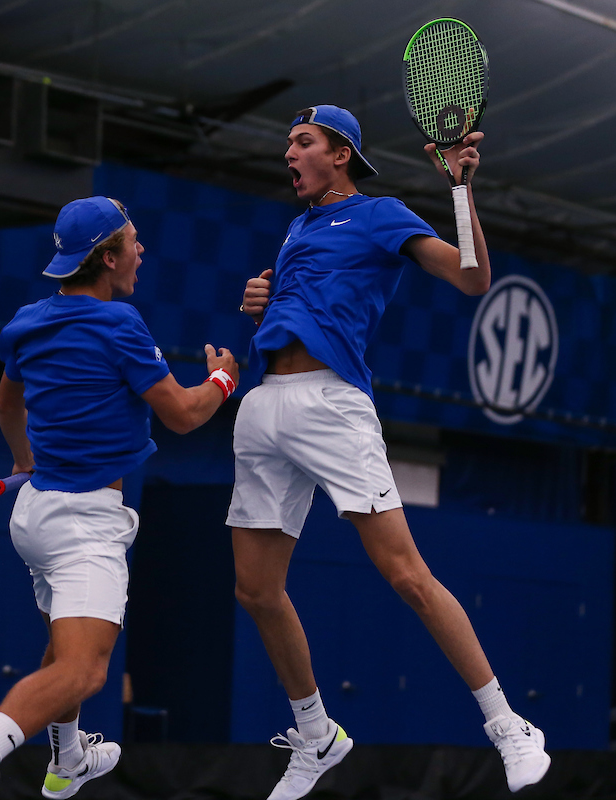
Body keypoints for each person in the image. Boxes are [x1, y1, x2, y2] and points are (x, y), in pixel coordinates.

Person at [229, 105, 550, 800]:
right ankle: (317, 735)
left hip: (331, 406)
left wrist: (460, 188)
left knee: (406, 574)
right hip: (263, 405)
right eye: (289, 143)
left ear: (340, 153)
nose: (289, 153)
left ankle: (509, 726)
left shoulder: (379, 214)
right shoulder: (298, 227)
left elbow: (472, 278)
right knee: (255, 589)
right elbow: (316, 301)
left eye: (303, 142)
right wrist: (266, 301)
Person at [0, 196, 240, 800]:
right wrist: (222, 380)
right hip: (84, 523)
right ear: (108, 258)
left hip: (34, 517)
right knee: (85, 669)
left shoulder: (27, 321)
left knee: (66, 649)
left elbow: (7, 406)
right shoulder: (120, 324)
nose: (142, 251)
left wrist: (23, 461)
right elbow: (183, 415)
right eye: (134, 242)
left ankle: (68, 758)